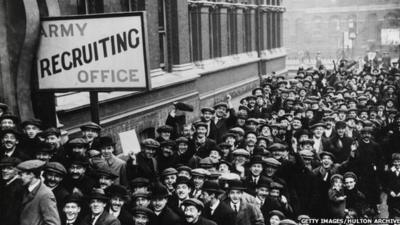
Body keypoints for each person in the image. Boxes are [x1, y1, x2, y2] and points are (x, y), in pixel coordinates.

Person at [18, 159, 60, 225]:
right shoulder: (24, 189)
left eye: (21, 174)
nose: (19, 177)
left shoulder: (46, 194)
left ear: (31, 175)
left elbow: (53, 223)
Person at [0, 157, 24, 225]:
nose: (4, 171)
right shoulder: (8, 183)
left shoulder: (17, 188)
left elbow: (11, 214)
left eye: (9, 168)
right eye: (3, 168)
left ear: (17, 171)